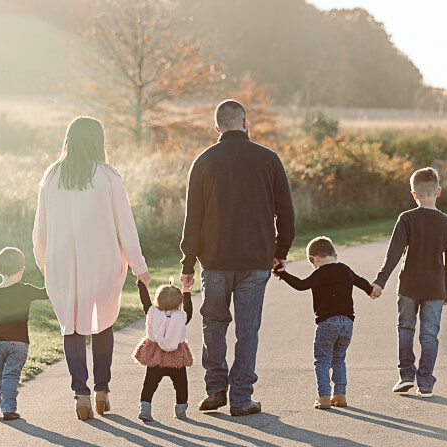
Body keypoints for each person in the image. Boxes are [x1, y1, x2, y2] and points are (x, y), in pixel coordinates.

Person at [180, 99, 295, 416]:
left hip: (215, 261)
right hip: (256, 260)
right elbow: (286, 212)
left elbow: (193, 219)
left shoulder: (204, 161)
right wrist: (280, 252)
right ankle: (242, 398)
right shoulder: (268, 160)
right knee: (247, 329)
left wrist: (188, 264)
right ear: (245, 123)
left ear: (217, 127)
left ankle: (216, 389)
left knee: (213, 324)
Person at [33, 116, 149, 421]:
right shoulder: (108, 176)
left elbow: (40, 230)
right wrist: (139, 266)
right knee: (102, 322)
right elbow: (125, 224)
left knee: (71, 326)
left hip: (62, 265)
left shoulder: (52, 175)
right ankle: (102, 390)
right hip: (102, 262)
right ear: (98, 141)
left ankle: (80, 393)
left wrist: (44, 264)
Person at [371, 167, 447, 398]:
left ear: (414, 194)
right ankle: (426, 382)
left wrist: (380, 281)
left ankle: (406, 376)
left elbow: (394, 253)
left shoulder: (407, 218)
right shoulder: (446, 222)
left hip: (408, 286)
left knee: (406, 329)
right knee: (429, 335)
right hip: (435, 289)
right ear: (438, 192)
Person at [274, 237, 374, 409]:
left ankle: (324, 397)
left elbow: (300, 285)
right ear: (335, 255)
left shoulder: (320, 273)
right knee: (339, 359)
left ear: (314, 259)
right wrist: (371, 290)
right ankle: (340, 395)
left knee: (322, 360)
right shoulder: (344, 269)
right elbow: (360, 281)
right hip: (347, 323)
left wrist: (282, 273)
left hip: (327, 323)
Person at [0, 247, 48, 421]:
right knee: (11, 375)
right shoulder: (26, 289)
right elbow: (46, 293)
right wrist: (51, 275)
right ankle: (8, 409)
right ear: (22, 270)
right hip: (19, 343)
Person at [132, 279, 194, 421]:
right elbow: (189, 310)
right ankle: (180, 410)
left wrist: (142, 285)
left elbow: (145, 302)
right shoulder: (181, 317)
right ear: (179, 303)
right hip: (176, 358)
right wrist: (186, 290)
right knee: (181, 385)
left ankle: (145, 409)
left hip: (156, 357)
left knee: (149, 384)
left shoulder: (152, 313)